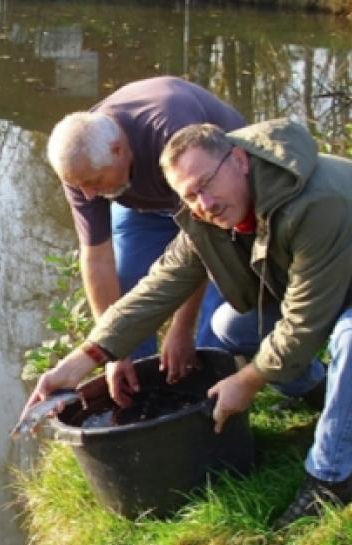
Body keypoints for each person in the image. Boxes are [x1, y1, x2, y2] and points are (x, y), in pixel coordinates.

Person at [22, 119, 352, 527]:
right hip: (345, 271)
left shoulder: (316, 203)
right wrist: (80, 363)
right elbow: (156, 289)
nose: (205, 203)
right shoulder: (211, 211)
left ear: (238, 159)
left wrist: (250, 380)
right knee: (232, 324)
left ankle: (329, 482)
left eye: (206, 185)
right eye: (189, 196)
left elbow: (305, 319)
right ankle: (324, 393)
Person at [46, 76, 244, 390]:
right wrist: (112, 350)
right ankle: (138, 390)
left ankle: (211, 395)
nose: (89, 196)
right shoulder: (84, 162)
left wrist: (181, 329)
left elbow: (203, 242)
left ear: (118, 149)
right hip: (140, 202)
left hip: (213, 196)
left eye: (95, 181)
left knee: (218, 307)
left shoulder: (172, 131)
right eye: (80, 185)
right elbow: (96, 257)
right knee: (128, 289)